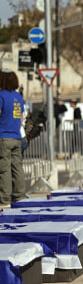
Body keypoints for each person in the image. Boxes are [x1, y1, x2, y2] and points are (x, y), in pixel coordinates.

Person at [0, 70, 26, 207]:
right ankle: (20, 196)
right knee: (17, 167)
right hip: (17, 136)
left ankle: (4, 199)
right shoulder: (19, 97)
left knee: (4, 169)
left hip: (3, 136)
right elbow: (21, 119)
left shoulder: (1, 96)